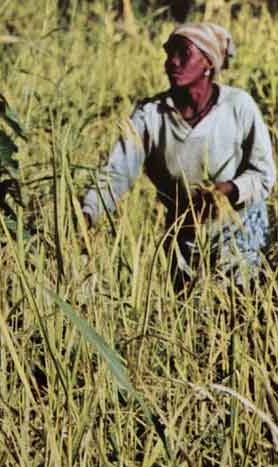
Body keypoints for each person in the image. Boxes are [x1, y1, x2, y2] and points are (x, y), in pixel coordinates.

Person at [82, 23, 275, 291]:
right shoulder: (150, 116)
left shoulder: (238, 106)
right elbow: (117, 173)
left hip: (239, 229)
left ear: (208, 62)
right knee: (191, 313)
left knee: (232, 308)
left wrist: (228, 191)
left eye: (184, 53)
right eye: (169, 53)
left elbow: (263, 175)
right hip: (184, 232)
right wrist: (88, 213)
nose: (173, 61)